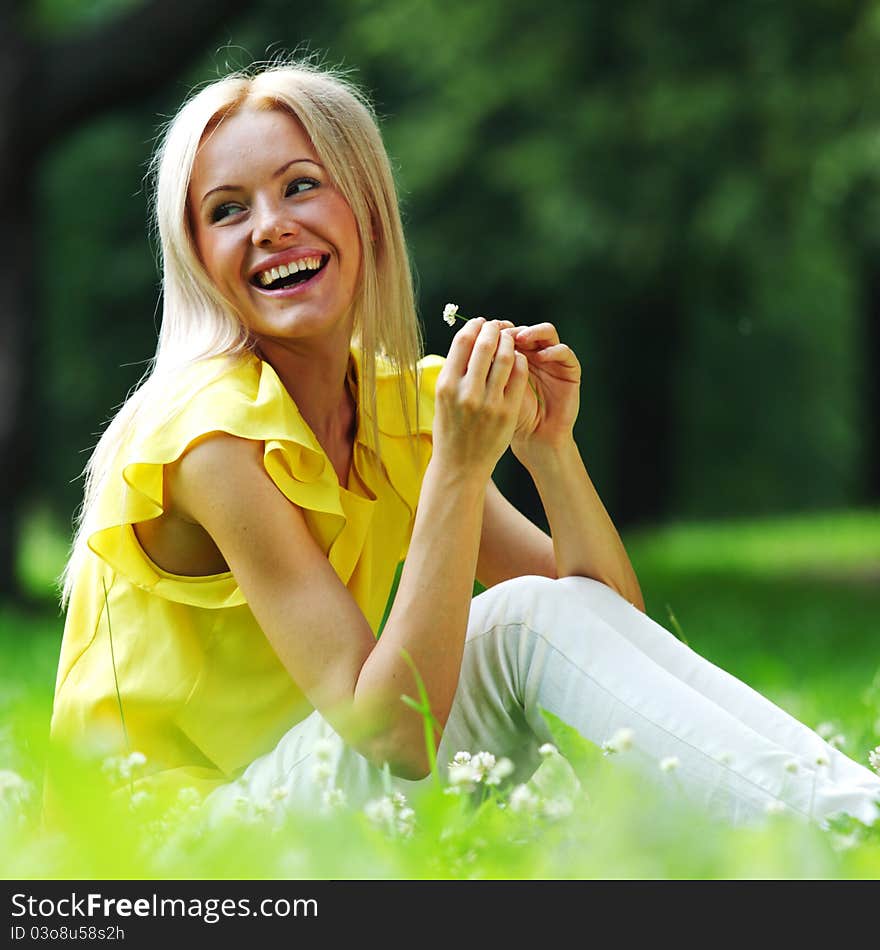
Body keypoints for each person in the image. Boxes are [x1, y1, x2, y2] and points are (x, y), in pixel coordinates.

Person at [49, 58, 880, 829]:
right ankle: (851, 827)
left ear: (367, 211)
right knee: (517, 627)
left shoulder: (392, 407)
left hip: (320, 796)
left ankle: (851, 817)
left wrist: (550, 450)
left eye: (301, 187)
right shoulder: (208, 435)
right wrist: (458, 462)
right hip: (179, 851)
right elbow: (389, 735)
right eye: (227, 210)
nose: (269, 226)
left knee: (538, 617)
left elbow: (604, 638)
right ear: (197, 255)